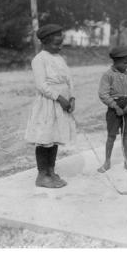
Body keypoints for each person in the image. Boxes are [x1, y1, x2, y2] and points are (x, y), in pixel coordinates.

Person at [24, 24, 76, 188]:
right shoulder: (39, 59)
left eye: (61, 44)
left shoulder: (60, 59)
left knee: (54, 138)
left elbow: (69, 79)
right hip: (48, 104)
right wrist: (59, 98)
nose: (59, 47)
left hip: (62, 104)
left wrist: (72, 97)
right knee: (44, 139)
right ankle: (42, 175)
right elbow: (41, 85)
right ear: (45, 43)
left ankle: (51, 171)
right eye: (56, 44)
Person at [97, 46, 127, 173]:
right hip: (114, 108)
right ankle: (107, 162)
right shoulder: (108, 75)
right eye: (125, 63)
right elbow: (103, 94)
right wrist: (115, 106)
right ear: (116, 61)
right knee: (111, 136)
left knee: (126, 135)